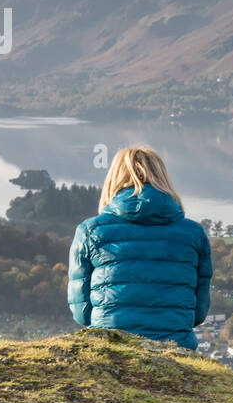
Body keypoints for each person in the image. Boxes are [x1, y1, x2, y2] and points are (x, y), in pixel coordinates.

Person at [67, 146, 211, 349]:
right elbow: (198, 313)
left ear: (113, 180)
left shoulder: (90, 231)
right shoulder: (194, 234)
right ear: (163, 178)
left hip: (111, 348)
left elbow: (81, 313)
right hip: (176, 348)